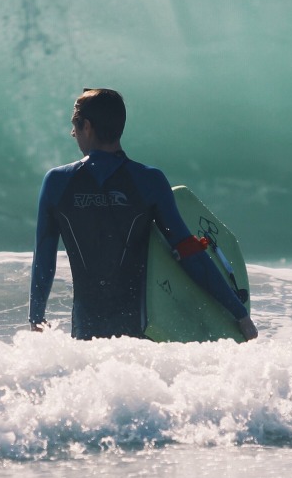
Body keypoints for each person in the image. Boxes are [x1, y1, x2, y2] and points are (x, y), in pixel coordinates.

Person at [28, 88, 258, 341]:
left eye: (75, 124)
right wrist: (239, 314)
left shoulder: (57, 182)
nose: (73, 133)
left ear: (88, 126)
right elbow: (189, 251)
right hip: (142, 333)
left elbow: (44, 258)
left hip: (86, 335)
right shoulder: (148, 181)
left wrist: (36, 318)